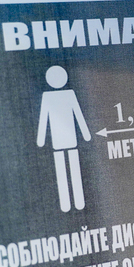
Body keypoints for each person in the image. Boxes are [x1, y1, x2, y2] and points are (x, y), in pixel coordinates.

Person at [36, 66, 90, 212]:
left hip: (69, 140)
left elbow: (78, 114)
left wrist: (86, 134)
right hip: (60, 141)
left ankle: (78, 202)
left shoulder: (69, 94)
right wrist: (41, 139)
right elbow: (43, 118)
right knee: (62, 171)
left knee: (74, 169)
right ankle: (66, 204)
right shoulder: (48, 97)